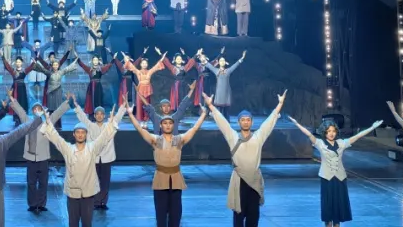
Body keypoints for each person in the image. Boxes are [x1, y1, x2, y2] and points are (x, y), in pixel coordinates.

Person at [205, 91, 287, 227]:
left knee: (253, 216)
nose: (245, 122)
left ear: (251, 122)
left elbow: (268, 123)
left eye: (248, 120)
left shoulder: (258, 137)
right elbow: (223, 123)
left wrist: (280, 104)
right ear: (239, 122)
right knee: (238, 215)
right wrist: (211, 106)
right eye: (243, 120)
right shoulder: (233, 137)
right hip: (239, 181)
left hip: (254, 181)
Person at [287, 113, 383, 227]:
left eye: (333, 131)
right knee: (328, 205)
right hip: (327, 178)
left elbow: (357, 137)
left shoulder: (341, 143)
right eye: (328, 131)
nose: (331, 133)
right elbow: (308, 134)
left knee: (338, 204)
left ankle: (337, 224)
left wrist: (372, 127)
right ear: (324, 132)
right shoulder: (320, 143)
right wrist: (297, 124)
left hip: (340, 179)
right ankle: (328, 224)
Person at [127, 99, 209, 227]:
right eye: (165, 123)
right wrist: (130, 114)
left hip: (176, 180)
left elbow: (194, 129)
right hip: (160, 180)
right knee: (161, 214)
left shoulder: (179, 140)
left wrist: (203, 114)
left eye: (170, 123)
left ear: (173, 125)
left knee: (175, 214)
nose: (168, 125)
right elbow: (140, 129)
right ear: (161, 126)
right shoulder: (156, 140)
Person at [40, 103, 124, 227]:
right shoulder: (68, 149)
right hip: (72, 194)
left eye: (83, 132)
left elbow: (104, 137)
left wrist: (111, 123)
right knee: (73, 223)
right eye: (78, 132)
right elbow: (56, 138)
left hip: (88, 194)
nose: (80, 134)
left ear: (86, 134)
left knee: (87, 223)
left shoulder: (92, 148)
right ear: (74, 134)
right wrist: (47, 122)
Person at [9, 94, 69, 213]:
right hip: (30, 158)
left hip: (43, 157)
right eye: (35, 109)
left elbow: (57, 113)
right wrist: (12, 100)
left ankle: (41, 204)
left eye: (39, 108)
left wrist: (66, 101)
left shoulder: (47, 122)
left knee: (43, 183)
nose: (37, 110)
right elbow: (20, 111)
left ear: (42, 110)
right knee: (31, 183)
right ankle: (32, 204)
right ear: (32, 111)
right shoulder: (27, 121)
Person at [71, 100, 121, 210]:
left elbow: (117, 118)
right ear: (94, 115)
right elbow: (82, 117)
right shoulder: (90, 126)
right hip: (94, 159)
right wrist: (75, 104)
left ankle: (103, 202)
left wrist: (123, 107)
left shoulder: (109, 126)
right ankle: (96, 202)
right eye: (97, 114)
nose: (99, 116)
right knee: (94, 181)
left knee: (105, 182)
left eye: (101, 114)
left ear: (104, 115)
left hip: (106, 158)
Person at [123, 51, 166, 123]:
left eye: (145, 63)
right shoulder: (138, 72)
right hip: (140, 90)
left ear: (147, 64)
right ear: (140, 64)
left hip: (147, 90)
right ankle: (141, 121)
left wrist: (162, 58)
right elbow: (131, 66)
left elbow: (156, 66)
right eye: (143, 63)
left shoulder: (150, 71)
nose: (144, 64)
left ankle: (146, 121)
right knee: (140, 106)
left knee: (147, 106)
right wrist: (125, 58)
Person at [210, 50, 246, 120]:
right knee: (219, 109)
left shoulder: (228, 71)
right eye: (221, 61)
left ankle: (227, 121)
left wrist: (242, 58)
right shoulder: (216, 70)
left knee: (226, 110)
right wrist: (202, 58)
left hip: (226, 92)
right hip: (219, 93)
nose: (222, 62)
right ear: (218, 62)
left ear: (225, 62)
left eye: (223, 60)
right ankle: (219, 121)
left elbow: (235, 65)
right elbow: (209, 65)